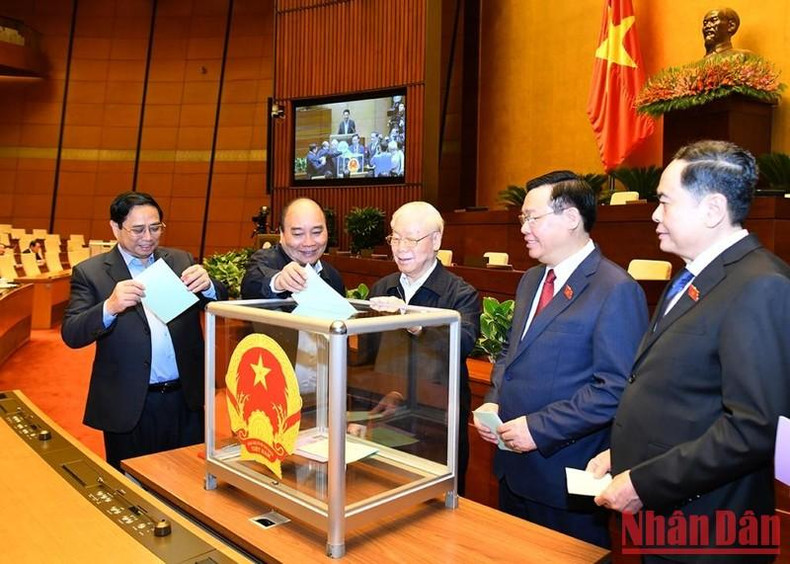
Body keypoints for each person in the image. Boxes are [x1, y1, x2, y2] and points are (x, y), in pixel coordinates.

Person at [589, 140, 790, 559]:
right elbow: (684, 394)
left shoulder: (761, 285)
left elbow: (752, 428)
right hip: (669, 522)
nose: (654, 214)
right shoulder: (692, 276)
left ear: (713, 209)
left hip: (709, 534)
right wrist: (626, 454)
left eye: (665, 202)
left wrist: (646, 482)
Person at [473, 171, 648, 547]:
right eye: (522, 218)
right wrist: (493, 403)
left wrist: (537, 429)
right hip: (511, 469)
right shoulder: (531, 279)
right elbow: (511, 355)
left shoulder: (615, 289)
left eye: (531, 217)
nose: (523, 228)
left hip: (564, 478)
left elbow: (614, 389)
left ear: (571, 217)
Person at [61, 191, 227, 470]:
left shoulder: (180, 261)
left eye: (155, 228)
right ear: (115, 228)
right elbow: (72, 333)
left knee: (190, 482)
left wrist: (209, 285)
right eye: (138, 230)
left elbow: (220, 302)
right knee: (133, 487)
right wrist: (109, 307)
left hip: (184, 400)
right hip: (129, 405)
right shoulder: (91, 273)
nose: (148, 237)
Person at [362, 201, 480, 496]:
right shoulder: (382, 289)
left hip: (436, 424)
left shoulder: (460, 293)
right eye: (395, 238)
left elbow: (464, 341)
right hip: (387, 415)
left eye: (412, 239)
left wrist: (414, 321)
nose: (401, 248)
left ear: (437, 240)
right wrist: (362, 416)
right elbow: (367, 359)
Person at [241, 198, 344, 300]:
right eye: (298, 234)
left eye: (316, 232)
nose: (309, 243)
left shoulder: (333, 277)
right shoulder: (263, 261)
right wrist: (279, 281)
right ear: (282, 234)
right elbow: (251, 284)